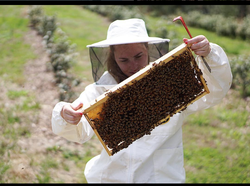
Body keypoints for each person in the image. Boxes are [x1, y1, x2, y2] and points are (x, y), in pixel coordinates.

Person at [51, 18, 232, 183]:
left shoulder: (169, 84)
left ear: (148, 49)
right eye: (124, 60)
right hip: (111, 179)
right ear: (113, 58)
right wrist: (66, 114)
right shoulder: (99, 90)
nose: (134, 66)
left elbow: (215, 90)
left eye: (139, 56)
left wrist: (209, 54)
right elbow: (80, 130)